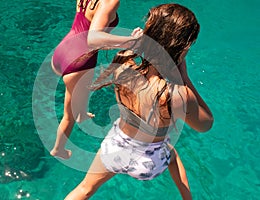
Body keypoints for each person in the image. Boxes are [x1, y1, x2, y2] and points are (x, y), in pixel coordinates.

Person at [64, 3, 213, 200]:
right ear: (183, 48)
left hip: (115, 148)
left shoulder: (123, 63)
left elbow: (97, 41)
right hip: (148, 164)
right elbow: (205, 124)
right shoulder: (177, 95)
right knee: (172, 154)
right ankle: (187, 197)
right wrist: (184, 78)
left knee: (85, 189)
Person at [50, 0, 143, 159]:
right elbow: (93, 39)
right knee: (68, 116)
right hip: (79, 62)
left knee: (76, 95)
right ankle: (58, 149)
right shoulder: (111, 2)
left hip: (62, 52)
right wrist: (131, 42)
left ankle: (82, 114)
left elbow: (89, 33)